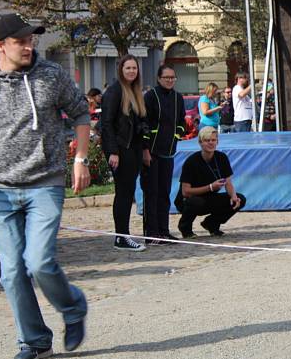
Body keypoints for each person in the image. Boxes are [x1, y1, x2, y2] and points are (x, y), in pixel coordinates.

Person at [0, 13, 90, 359]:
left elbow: (81, 113)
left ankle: (72, 307)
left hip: (45, 182)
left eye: (31, 40)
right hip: (1, 188)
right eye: (20, 41)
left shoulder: (51, 76)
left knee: (38, 261)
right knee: (10, 272)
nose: (29, 46)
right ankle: (35, 339)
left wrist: (80, 159)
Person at [101, 55, 149, 251]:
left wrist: (144, 148)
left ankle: (123, 234)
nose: (131, 71)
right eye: (128, 68)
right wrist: (113, 151)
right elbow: (107, 124)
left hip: (133, 149)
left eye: (134, 68)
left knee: (128, 193)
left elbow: (140, 123)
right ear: (121, 70)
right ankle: (121, 236)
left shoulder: (135, 92)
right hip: (120, 149)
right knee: (123, 193)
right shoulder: (114, 92)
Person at [141, 65, 186, 244]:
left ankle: (164, 230)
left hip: (168, 151)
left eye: (172, 77)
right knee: (151, 192)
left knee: (164, 192)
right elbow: (144, 123)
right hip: (151, 152)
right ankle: (151, 233)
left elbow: (181, 120)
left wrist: (177, 135)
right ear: (159, 78)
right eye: (166, 77)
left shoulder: (178, 98)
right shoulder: (150, 96)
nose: (169, 80)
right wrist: (145, 149)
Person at [175, 126, 245, 238]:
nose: (211, 143)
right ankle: (185, 227)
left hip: (209, 198)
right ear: (200, 142)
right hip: (188, 200)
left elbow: (228, 182)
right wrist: (211, 187)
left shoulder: (221, 157)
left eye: (213, 140)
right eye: (207, 140)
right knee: (196, 201)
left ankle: (211, 223)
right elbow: (185, 192)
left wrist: (233, 196)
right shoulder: (191, 161)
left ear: (217, 142)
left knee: (240, 199)